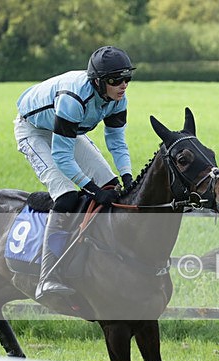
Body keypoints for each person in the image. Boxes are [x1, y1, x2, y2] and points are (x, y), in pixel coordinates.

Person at [14, 45, 136, 301]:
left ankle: (97, 259)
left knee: (111, 187)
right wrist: (90, 189)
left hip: (67, 131)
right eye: (116, 80)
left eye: (127, 78)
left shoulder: (118, 98)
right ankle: (48, 276)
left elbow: (117, 141)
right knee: (67, 196)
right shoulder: (75, 98)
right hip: (34, 131)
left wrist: (126, 176)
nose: (123, 85)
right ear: (99, 82)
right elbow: (61, 156)